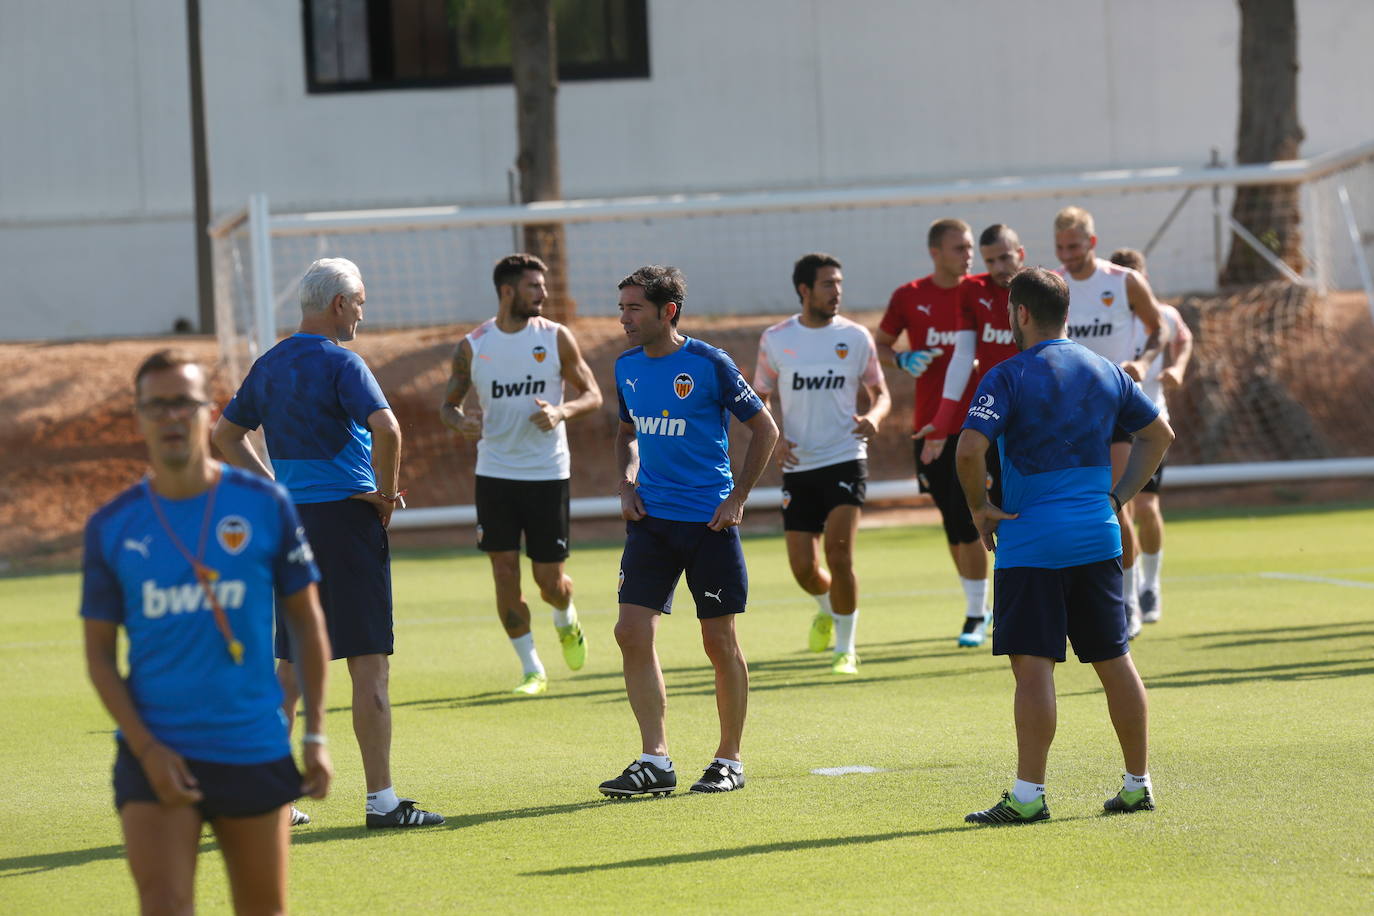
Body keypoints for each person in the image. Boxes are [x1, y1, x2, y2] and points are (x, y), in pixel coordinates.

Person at [83, 349, 333, 914]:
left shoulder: (266, 505)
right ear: (139, 416)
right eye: (158, 405)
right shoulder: (112, 526)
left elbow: (307, 621)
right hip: (157, 754)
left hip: (252, 747)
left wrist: (315, 734)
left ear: (208, 411)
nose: (172, 417)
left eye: (185, 403)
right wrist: (147, 750)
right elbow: (100, 656)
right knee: (165, 905)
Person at [212, 257, 443, 828]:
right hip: (345, 525)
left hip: (292, 531)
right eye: (360, 301)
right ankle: (382, 802)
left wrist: (273, 491)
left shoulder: (269, 364)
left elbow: (224, 436)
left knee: (288, 670)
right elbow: (388, 428)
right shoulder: (343, 362)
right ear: (340, 303)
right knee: (368, 665)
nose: (363, 311)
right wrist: (386, 498)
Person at [953, 267, 1173, 825]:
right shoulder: (1105, 370)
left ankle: (1029, 796)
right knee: (1115, 660)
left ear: (1020, 313)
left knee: (1034, 670)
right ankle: (1137, 784)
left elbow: (968, 450)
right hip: (1097, 538)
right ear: (1066, 312)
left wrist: (980, 508)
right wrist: (1119, 496)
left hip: (1031, 543)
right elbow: (1159, 435)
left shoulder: (1006, 376)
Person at [600, 265, 778, 797]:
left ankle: (730, 758)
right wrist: (625, 484)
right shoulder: (627, 366)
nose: (624, 319)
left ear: (667, 311)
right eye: (622, 308)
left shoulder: (708, 362)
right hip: (651, 521)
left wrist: (738, 497)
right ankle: (655, 759)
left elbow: (764, 428)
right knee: (630, 631)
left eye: (634, 308)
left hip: (707, 523)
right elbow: (627, 432)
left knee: (718, 641)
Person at [439, 253, 603, 695]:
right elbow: (448, 404)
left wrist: (562, 410)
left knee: (550, 583)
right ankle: (532, 668)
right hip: (494, 475)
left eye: (543, 286)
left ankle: (566, 617)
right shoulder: (474, 346)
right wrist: (460, 422)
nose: (544, 294)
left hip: (548, 474)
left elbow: (593, 394)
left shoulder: (555, 338)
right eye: (534, 287)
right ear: (507, 291)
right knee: (504, 572)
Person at [753, 253, 890, 674]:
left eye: (839, 283)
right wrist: (774, 438)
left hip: (846, 457)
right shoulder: (775, 339)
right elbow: (761, 396)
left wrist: (875, 417)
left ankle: (845, 649)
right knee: (803, 568)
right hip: (798, 464)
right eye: (828, 283)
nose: (837, 291)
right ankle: (828, 608)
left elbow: (880, 393)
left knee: (839, 552)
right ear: (804, 290)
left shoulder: (857, 337)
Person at [1053, 206, 1166, 639]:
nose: (1068, 255)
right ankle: (1077, 599)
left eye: (1075, 246)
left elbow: (1159, 330)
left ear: (1092, 243)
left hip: (1115, 407)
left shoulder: (1122, 281)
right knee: (1069, 509)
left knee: (1115, 506)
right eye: (1061, 247)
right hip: (1067, 412)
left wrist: (1142, 361)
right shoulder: (1053, 282)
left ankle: (1130, 603)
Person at [875, 218, 989, 643]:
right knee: (953, 521)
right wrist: (902, 360)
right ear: (935, 252)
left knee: (978, 516)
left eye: (970, 247)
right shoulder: (910, 296)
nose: (968, 255)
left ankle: (979, 614)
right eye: (959, 248)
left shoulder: (981, 291)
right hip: (931, 425)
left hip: (980, 422)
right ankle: (977, 605)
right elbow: (881, 344)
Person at [915, 223, 1025, 646]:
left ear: (1021, 252)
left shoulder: (1038, 287)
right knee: (983, 514)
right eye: (990, 259)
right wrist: (943, 420)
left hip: (1034, 420)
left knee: (1029, 510)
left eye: (1005, 257)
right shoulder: (971, 292)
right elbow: (964, 357)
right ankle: (984, 612)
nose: (999, 267)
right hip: (993, 419)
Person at [1110, 248, 1194, 623]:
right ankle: (1128, 594)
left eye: (1136, 275)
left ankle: (1150, 586)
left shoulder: (1165, 316)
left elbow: (1184, 339)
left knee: (1146, 507)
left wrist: (1176, 366)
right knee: (1120, 507)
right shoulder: (1109, 319)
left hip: (1152, 421)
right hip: (1113, 423)